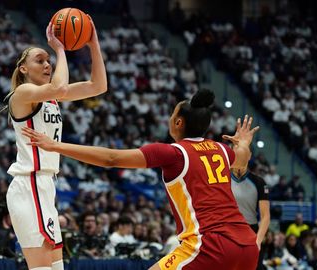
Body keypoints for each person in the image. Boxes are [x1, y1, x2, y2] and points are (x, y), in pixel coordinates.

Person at [21, 89, 259, 270]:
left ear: (178, 122)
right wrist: (245, 142)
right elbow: (242, 159)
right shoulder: (220, 149)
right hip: (247, 245)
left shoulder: (173, 153)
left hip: (210, 245)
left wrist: (55, 146)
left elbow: (112, 159)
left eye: (172, 114)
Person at [4, 17, 107, 270]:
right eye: (40, 60)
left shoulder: (51, 97)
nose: (48, 64)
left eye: (49, 60)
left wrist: (93, 43)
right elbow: (59, 86)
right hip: (29, 184)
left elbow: (98, 86)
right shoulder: (23, 93)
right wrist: (59, 49)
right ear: (23, 69)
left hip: (46, 185)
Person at [223, 117, 270, 270]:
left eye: (244, 150)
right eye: (235, 150)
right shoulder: (219, 177)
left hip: (251, 232)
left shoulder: (258, 182)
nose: (239, 154)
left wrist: (257, 240)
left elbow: (265, 216)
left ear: (249, 156)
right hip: (226, 233)